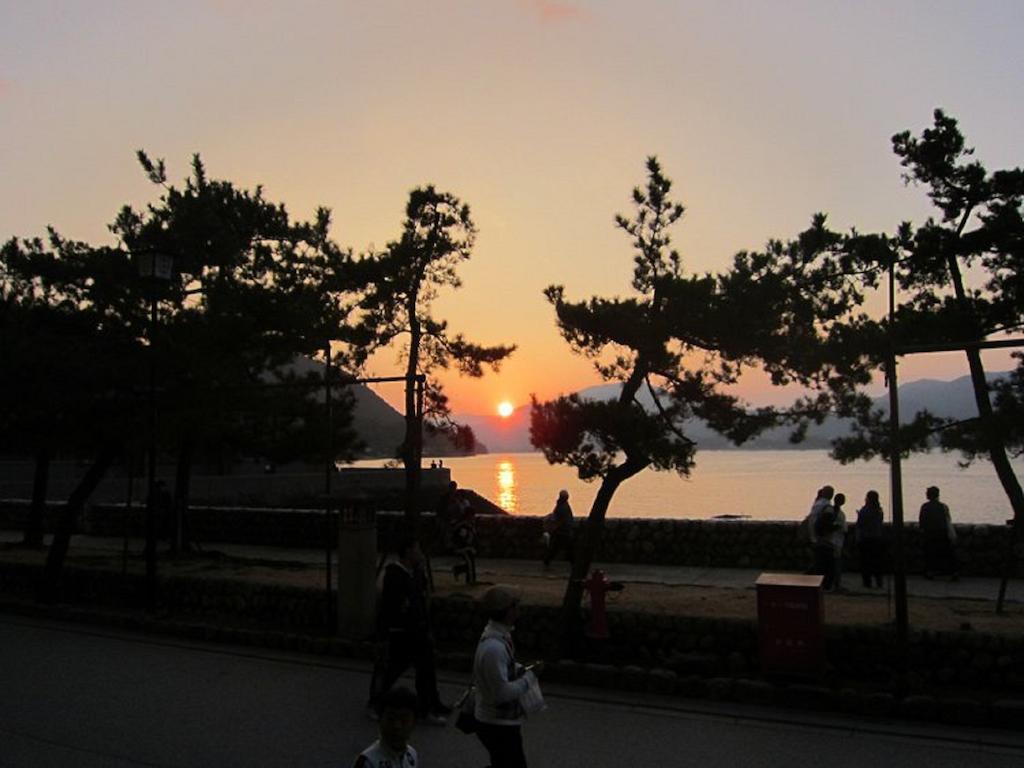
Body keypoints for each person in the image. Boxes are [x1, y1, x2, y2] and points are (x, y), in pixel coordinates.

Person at [366, 533, 450, 725]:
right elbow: (389, 607)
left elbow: (423, 598)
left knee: (426, 669)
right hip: (400, 632)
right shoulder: (394, 575)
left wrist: (427, 626)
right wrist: (384, 633)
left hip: (419, 629)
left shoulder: (418, 573)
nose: (420, 553)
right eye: (417, 549)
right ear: (408, 552)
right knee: (390, 670)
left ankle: (429, 706)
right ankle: (375, 703)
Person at [473, 584, 540, 768]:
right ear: (506, 611)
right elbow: (501, 693)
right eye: (515, 605)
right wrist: (530, 677)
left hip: (500, 721)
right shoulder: (494, 648)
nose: (519, 609)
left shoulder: (501, 638)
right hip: (497, 724)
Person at [354, 685, 419, 768]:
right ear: (380, 720)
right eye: (391, 719)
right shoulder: (368, 761)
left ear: (414, 724)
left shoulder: (412, 755)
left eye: (404, 721)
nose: (397, 726)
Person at [919, 485, 958, 580]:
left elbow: (922, 521)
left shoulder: (925, 507)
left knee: (930, 554)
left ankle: (930, 572)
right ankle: (953, 572)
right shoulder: (943, 506)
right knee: (946, 554)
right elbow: (948, 519)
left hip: (930, 534)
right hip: (942, 533)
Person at [855, 490, 885, 588]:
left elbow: (860, 525)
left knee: (865, 562)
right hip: (877, 538)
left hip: (866, 539)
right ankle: (879, 582)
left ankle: (867, 582)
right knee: (877, 562)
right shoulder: (879, 510)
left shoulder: (865, 510)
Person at [810, 485, 837, 590]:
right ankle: (825, 585)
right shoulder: (827, 506)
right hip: (825, 540)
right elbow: (827, 523)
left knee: (818, 564)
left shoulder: (817, 504)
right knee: (827, 565)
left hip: (815, 537)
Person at [542, 490, 574, 568]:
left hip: (560, 531)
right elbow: (563, 519)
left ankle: (547, 561)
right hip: (562, 531)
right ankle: (573, 563)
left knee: (557, 548)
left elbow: (557, 517)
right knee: (563, 548)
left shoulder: (560, 505)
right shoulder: (563, 506)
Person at [830, 492, 848, 592]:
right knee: (836, 563)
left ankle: (836, 583)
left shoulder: (837, 511)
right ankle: (836, 584)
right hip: (835, 541)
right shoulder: (836, 512)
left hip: (837, 541)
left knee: (836, 563)